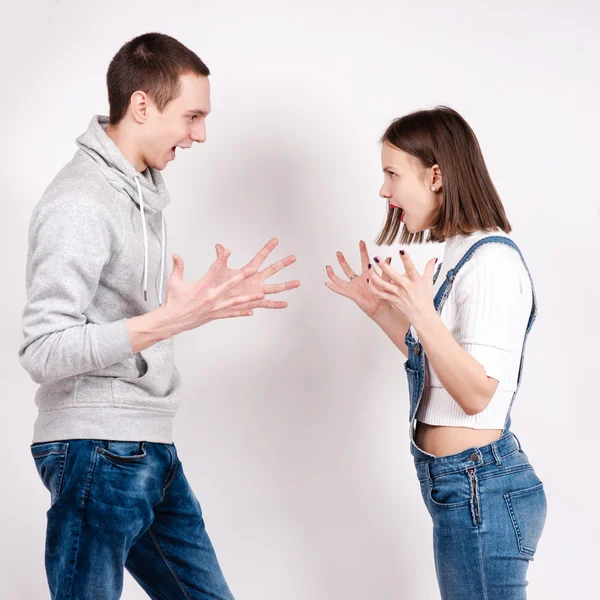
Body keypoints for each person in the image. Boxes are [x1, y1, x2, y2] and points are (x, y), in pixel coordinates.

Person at [19, 32, 299, 600]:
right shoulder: (81, 201)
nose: (200, 135)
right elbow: (41, 350)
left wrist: (186, 313)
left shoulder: (138, 194)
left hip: (147, 445)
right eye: (192, 116)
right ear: (141, 104)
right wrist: (173, 320)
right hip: (95, 447)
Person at [325, 106, 546, 599]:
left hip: (480, 486)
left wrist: (422, 314)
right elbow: (445, 366)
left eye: (391, 173)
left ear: (437, 175)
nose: (384, 191)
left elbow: (476, 395)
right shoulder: (459, 253)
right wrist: (384, 312)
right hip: (462, 484)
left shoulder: (490, 261)